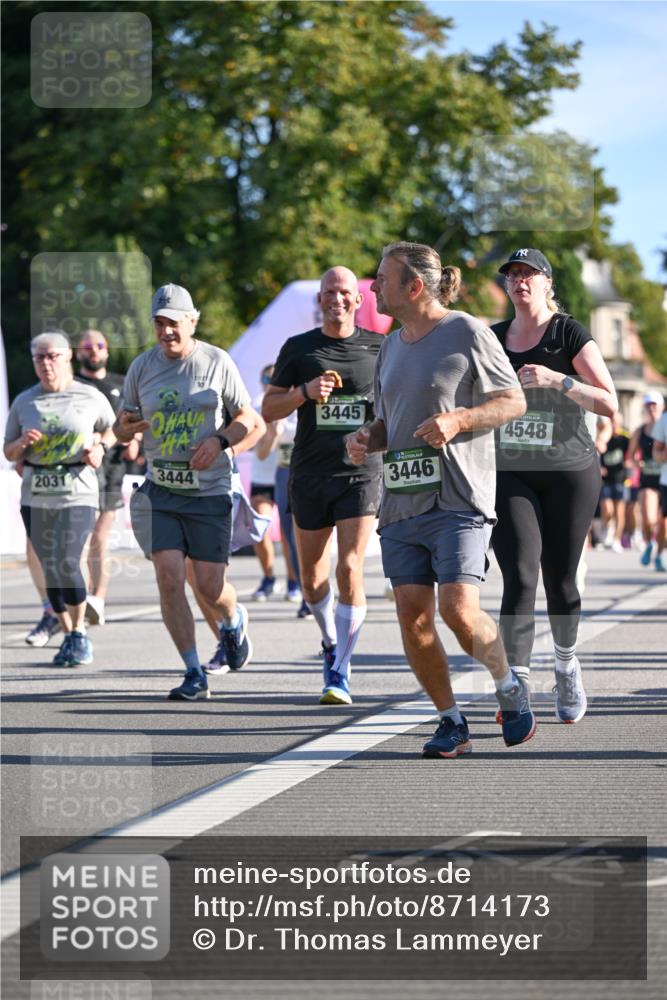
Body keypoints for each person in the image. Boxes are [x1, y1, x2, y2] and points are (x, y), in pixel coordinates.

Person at [346, 241, 532, 755]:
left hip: (460, 498)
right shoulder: (390, 345)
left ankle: (508, 685)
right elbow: (390, 424)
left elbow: (512, 400)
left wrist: (459, 419)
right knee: (413, 615)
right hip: (402, 500)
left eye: (382, 278)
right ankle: (451, 721)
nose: (373, 286)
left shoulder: (466, 331)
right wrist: (366, 438)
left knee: (457, 609)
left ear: (414, 286)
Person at [114, 283, 265, 700]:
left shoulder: (217, 361)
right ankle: (193, 670)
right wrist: (123, 429)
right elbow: (121, 424)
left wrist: (219, 442)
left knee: (210, 587)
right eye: (159, 324)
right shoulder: (142, 368)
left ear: (192, 321)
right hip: (162, 488)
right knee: (168, 577)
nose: (166, 332)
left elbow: (248, 419)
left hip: (210, 489)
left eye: (173, 323)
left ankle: (232, 621)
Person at [490, 248, 617, 725]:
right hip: (511, 470)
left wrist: (557, 380)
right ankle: (518, 683)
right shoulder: (494, 337)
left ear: (547, 283)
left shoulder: (569, 332)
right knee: (520, 575)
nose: (520, 281)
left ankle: (565, 665)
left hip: (569, 470)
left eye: (529, 274)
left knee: (560, 580)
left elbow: (607, 403)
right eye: (512, 275)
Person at [262, 266, 384, 705]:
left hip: (360, 472)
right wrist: (303, 393)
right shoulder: (299, 348)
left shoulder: (380, 347)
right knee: (313, 579)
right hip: (309, 474)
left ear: (357, 299)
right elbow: (269, 409)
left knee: (350, 567)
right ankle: (331, 641)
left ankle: (341, 669)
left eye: (345, 292)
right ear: (320, 299)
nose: (337, 298)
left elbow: (400, 401)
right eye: (329, 291)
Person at [4, 332, 116, 666]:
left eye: (52, 356)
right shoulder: (25, 401)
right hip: (36, 494)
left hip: (77, 491)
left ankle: (80, 630)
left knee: (68, 561)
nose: (45, 363)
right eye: (38, 357)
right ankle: (67, 632)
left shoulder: (89, 395)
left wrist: (100, 447)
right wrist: (23, 443)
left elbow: (114, 428)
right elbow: (8, 450)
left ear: (68, 356)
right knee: (50, 568)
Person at [75, 329, 144, 624]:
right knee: (74, 541)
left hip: (111, 470)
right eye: (87, 346)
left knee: (99, 537)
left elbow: (136, 423)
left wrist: (135, 441)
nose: (94, 351)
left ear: (107, 350)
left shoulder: (120, 384)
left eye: (99, 345)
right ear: (78, 353)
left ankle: (97, 600)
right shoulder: (71, 386)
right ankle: (71, 602)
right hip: (76, 470)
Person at [249, 364, 302, 604]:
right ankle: (269, 577)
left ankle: (293, 581)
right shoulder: (259, 405)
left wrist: (281, 430)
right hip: (263, 476)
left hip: (289, 476)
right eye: (265, 377)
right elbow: (261, 452)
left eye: (273, 378)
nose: (268, 382)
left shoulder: (295, 405)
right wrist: (271, 434)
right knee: (259, 529)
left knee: (288, 532)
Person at [628, 391, 665, 570]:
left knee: (663, 523)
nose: (651, 408)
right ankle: (650, 543)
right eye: (648, 405)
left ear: (661, 407)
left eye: (654, 405)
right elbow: (630, 455)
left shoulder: (665, 427)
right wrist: (637, 463)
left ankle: (659, 555)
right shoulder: (639, 431)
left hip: (664, 479)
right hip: (647, 480)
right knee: (649, 519)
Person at [597, 412, 629, 553]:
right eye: (612, 421)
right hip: (605, 480)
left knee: (619, 512)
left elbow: (632, 454)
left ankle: (616, 539)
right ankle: (607, 531)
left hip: (621, 480)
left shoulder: (625, 439)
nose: (614, 424)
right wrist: (600, 467)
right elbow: (597, 453)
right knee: (607, 509)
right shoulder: (604, 437)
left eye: (616, 422)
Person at [650, 401, 667, 572]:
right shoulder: (665, 419)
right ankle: (659, 555)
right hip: (666, 480)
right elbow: (656, 452)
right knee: (663, 523)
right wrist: (663, 455)